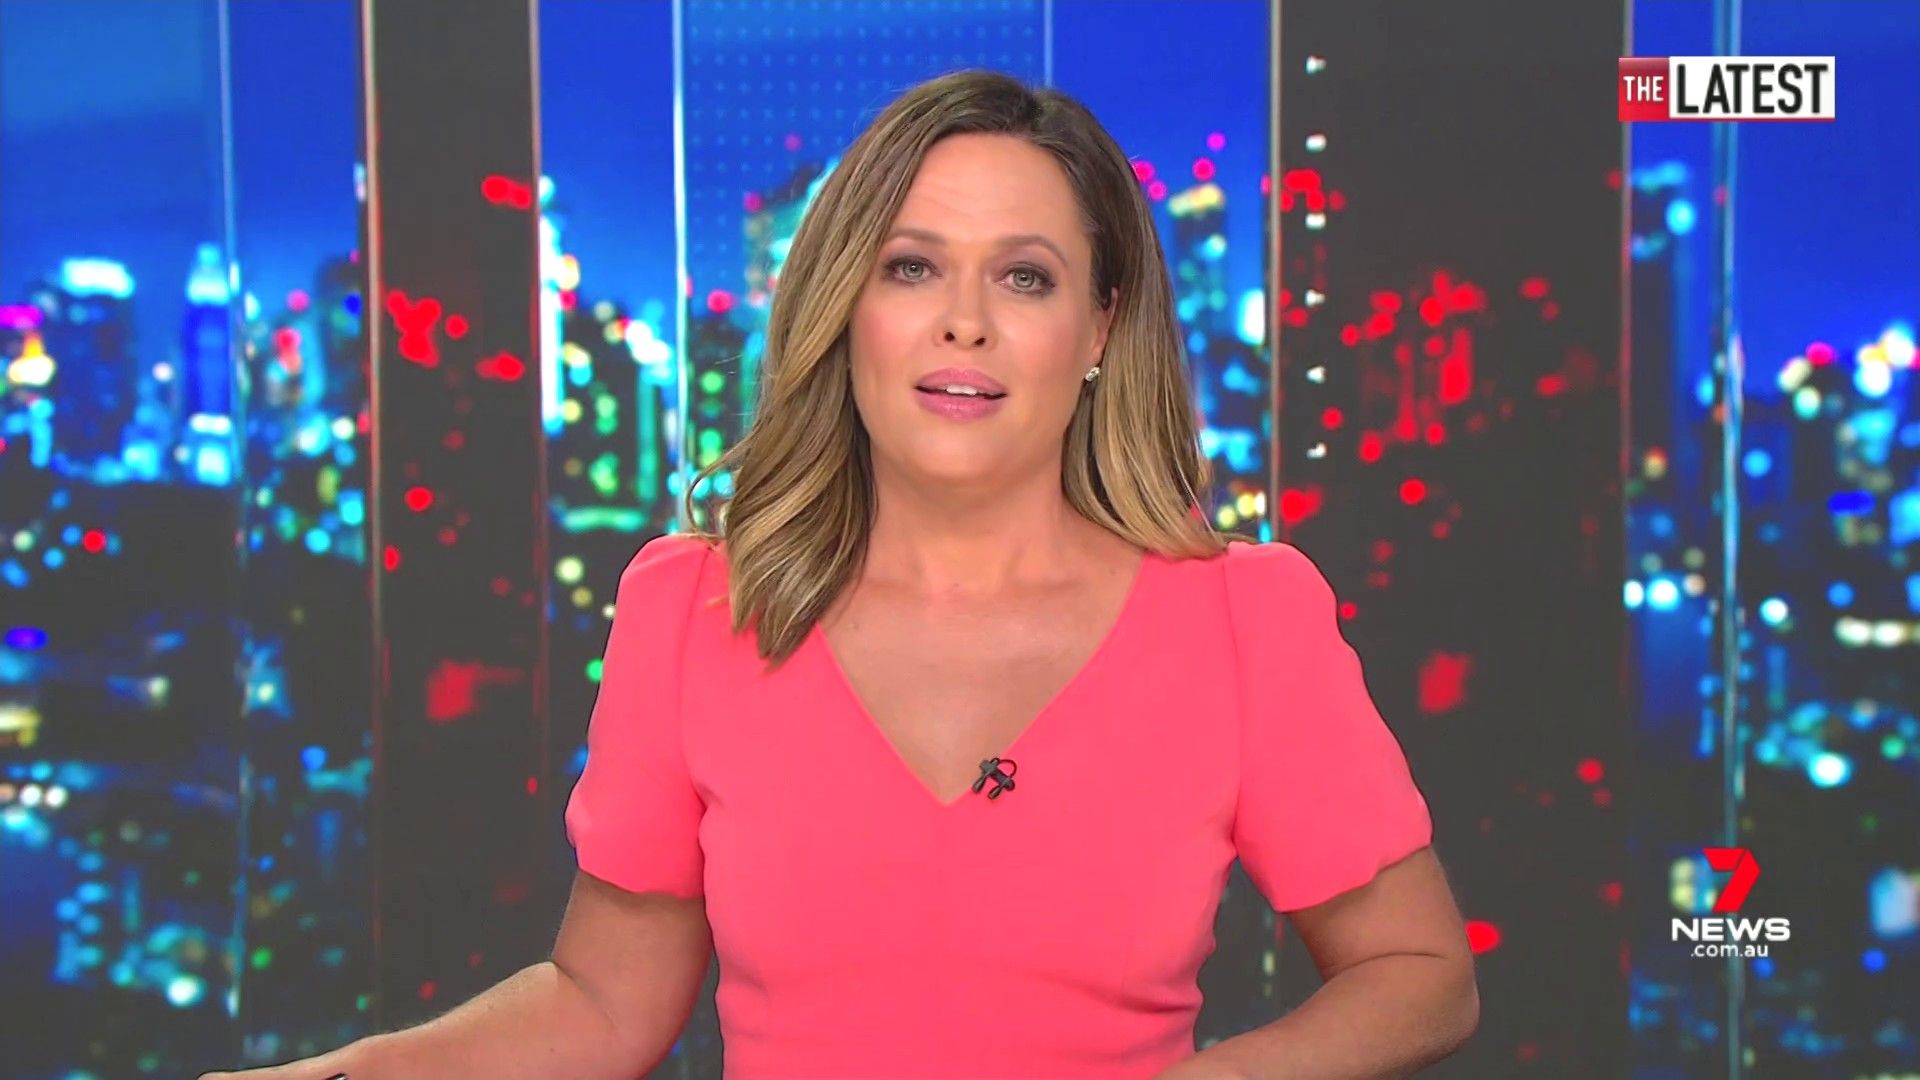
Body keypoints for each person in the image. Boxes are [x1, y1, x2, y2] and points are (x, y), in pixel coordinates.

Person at [205, 68, 1477, 1080]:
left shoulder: (1241, 616)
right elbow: (601, 1002)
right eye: (911, 267)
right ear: (843, 308)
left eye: (1024, 277)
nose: (964, 319)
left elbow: (1421, 973)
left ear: (1098, 328)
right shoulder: (693, 610)